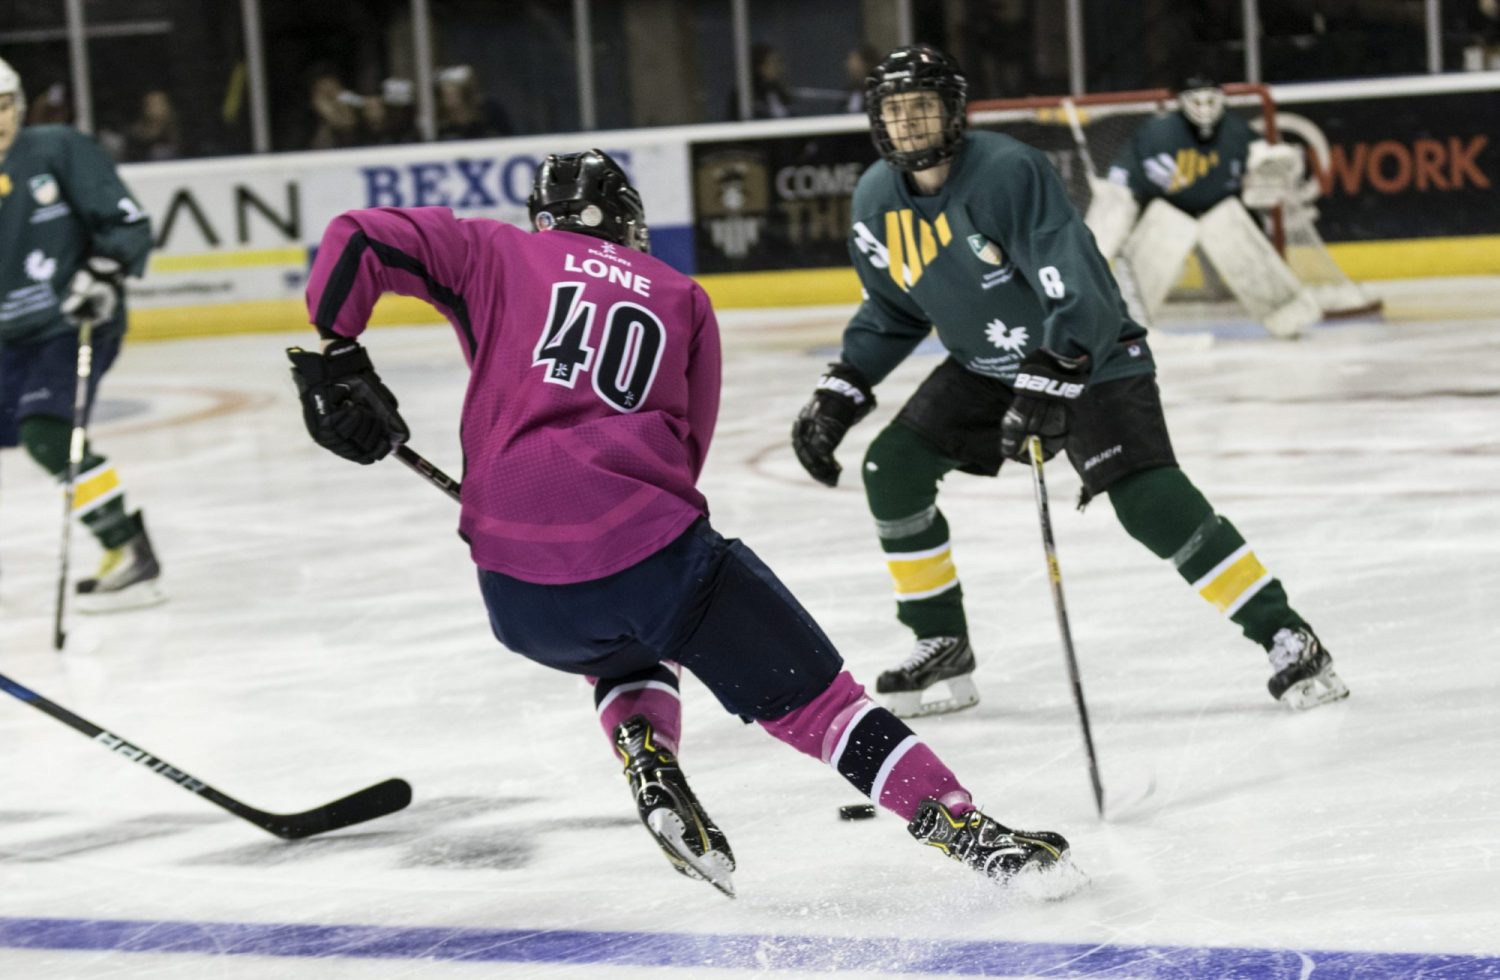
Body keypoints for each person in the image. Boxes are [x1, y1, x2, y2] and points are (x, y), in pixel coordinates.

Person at [286, 149, 1076, 897]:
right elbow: (684, 450)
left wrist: (336, 355)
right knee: (822, 705)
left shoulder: (493, 253)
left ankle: (645, 748)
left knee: (616, 635)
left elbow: (358, 236)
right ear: (628, 223)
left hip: (516, 590)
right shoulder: (678, 295)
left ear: (542, 219)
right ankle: (966, 829)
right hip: (644, 553)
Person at [789, 45, 1348, 719]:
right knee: (893, 466)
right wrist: (841, 389)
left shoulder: (1007, 172)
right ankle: (940, 640)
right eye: (894, 111)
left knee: (1147, 500)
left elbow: (1076, 284)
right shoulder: (877, 197)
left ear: (954, 112)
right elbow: (892, 308)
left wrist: (1053, 376)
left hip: (1088, 354)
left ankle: (1284, 631)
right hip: (987, 366)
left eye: (922, 108)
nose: (907, 125)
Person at [0, 56, 164, 611]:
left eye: (3, 104)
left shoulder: (56, 149)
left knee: (47, 434)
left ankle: (127, 548)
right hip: (7, 334)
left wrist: (104, 270)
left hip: (72, 321)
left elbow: (127, 221)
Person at [1084, 75, 1323, 338]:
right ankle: (1122, 324)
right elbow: (1121, 184)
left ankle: (1285, 314)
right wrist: (1108, 221)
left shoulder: (1237, 132)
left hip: (1221, 214)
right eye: (1197, 100)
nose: (1205, 107)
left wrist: (1269, 168)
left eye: (1211, 99)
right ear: (1181, 102)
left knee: (1231, 228)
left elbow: (1260, 181)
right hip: (1168, 215)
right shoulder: (1156, 133)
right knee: (1163, 234)